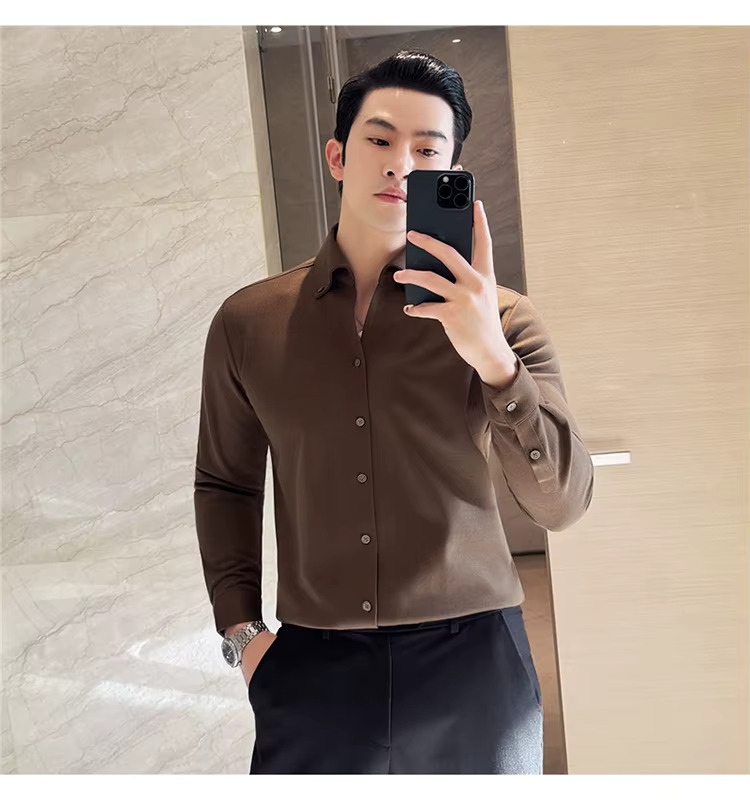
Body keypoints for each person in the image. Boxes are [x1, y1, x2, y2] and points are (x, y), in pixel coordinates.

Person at [193, 50, 594, 775]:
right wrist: (243, 633)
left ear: (451, 170)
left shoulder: (506, 321)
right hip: (310, 672)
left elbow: (561, 504)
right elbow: (225, 483)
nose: (400, 164)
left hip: (476, 669)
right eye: (379, 139)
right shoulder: (247, 323)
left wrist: (491, 357)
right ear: (337, 156)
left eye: (427, 150)